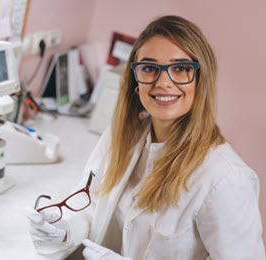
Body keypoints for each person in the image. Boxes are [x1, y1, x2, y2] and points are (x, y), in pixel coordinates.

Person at [27, 15, 265, 259]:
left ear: (201, 80)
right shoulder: (123, 136)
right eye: (149, 68)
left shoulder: (225, 179)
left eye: (181, 68)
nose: (163, 82)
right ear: (135, 80)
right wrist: (64, 230)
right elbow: (92, 205)